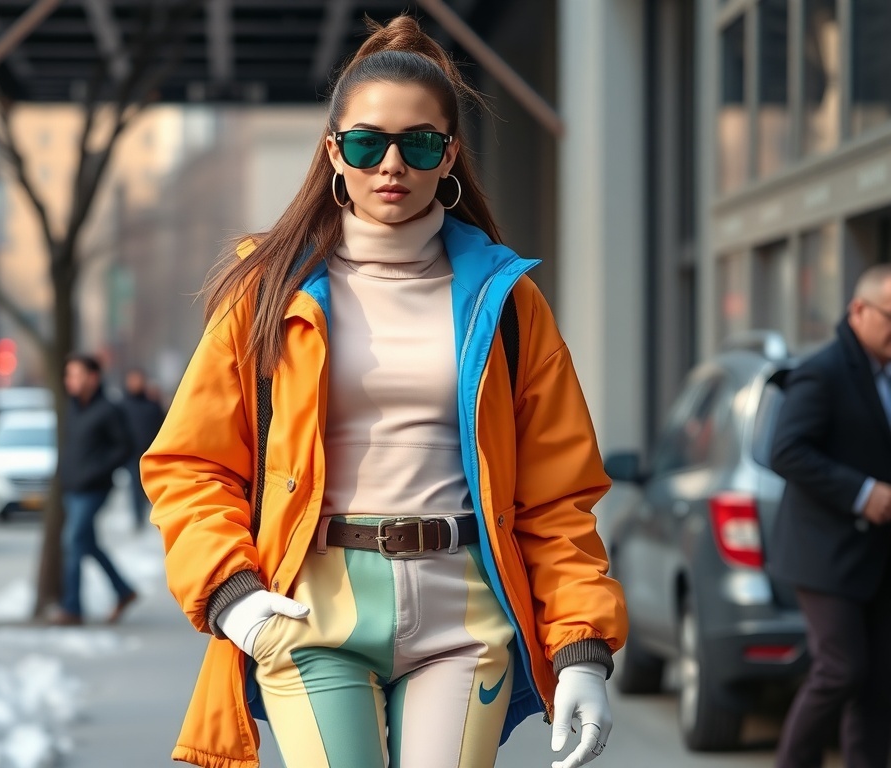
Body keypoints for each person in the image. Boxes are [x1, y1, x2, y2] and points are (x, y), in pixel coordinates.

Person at [142, 16, 627, 768]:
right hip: (312, 612)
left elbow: (557, 496)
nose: (391, 165)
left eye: (419, 143)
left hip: (463, 617)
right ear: (335, 151)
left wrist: (583, 648)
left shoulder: (506, 304)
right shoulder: (267, 293)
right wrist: (234, 595)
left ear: (449, 156)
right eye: (367, 143)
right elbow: (189, 464)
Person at [769, 264, 891, 768]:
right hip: (824, 553)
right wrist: (862, 492)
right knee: (841, 669)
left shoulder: (884, 370)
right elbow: (787, 450)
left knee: (878, 681)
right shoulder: (823, 370)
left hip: (878, 556)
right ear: (857, 311)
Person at [52, 353, 138, 626]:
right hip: (72, 488)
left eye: (76, 375)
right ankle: (124, 591)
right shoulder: (73, 407)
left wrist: (96, 470)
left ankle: (72, 609)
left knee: (72, 542)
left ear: (93, 377)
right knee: (86, 544)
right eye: (68, 375)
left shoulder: (108, 409)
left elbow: (123, 447)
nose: (70, 381)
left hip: (93, 489)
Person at [119, 367, 165, 530]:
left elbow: (163, 426)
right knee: (135, 489)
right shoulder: (122, 406)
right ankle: (138, 519)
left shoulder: (152, 405)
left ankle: (156, 518)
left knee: (153, 489)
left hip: (152, 454)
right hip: (132, 455)